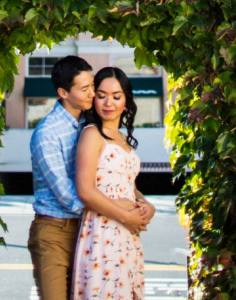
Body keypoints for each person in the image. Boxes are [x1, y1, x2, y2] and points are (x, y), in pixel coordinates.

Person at [28, 56, 151, 300]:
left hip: (92, 230)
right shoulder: (47, 133)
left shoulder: (90, 122)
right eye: (86, 89)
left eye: (92, 86)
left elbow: (112, 176)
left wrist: (142, 204)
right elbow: (69, 196)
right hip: (55, 231)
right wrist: (122, 211)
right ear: (64, 92)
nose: (93, 94)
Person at [71, 66, 156, 300]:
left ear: (126, 102)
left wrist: (147, 205)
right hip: (103, 231)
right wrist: (126, 216)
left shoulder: (122, 138)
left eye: (116, 97)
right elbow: (85, 190)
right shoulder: (91, 134)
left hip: (127, 235)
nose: (109, 103)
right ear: (94, 99)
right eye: (101, 96)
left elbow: (128, 185)